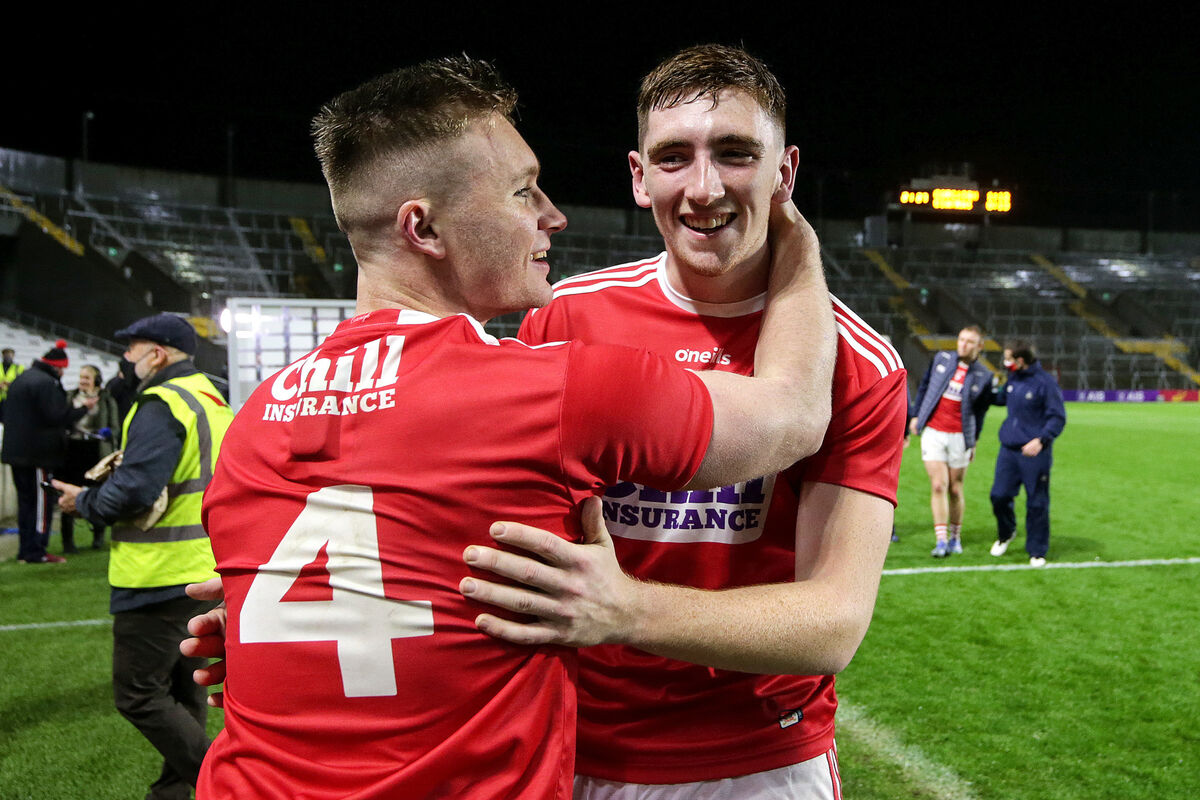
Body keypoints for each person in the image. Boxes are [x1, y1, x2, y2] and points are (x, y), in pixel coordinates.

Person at [183, 56, 835, 800]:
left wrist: (279, 642)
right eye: (523, 191)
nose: (552, 215)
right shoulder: (548, 388)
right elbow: (790, 415)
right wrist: (801, 249)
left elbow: (359, 579)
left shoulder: (258, 420)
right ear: (423, 227)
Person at [459, 45, 907, 799]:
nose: (703, 188)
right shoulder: (569, 316)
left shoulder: (860, 361)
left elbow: (832, 623)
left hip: (759, 764)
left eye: (735, 153)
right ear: (639, 177)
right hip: (568, 742)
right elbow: (480, 526)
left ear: (785, 173)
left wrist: (626, 611)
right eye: (674, 157)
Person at [53, 313, 232, 800]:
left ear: (157, 354)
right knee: (184, 693)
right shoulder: (212, 397)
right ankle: (174, 795)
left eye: (132, 349)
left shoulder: (160, 402)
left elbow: (133, 491)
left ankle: (229, 784)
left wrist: (82, 502)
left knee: (138, 695)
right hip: (206, 567)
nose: (125, 359)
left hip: (158, 574)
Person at [0, 339, 93, 563]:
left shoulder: (22, 378)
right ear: (58, 367)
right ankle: (37, 551)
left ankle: (26, 549)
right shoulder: (46, 384)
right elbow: (56, 416)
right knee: (41, 504)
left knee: (26, 503)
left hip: (16, 452)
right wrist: (82, 409)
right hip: (37, 454)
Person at [908, 325, 994, 557]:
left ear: (979, 346)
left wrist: (973, 441)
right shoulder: (941, 359)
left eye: (969, 341)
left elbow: (980, 412)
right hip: (934, 433)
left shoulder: (984, 375)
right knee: (938, 485)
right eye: (961, 339)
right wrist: (916, 415)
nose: (963, 344)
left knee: (955, 489)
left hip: (959, 436)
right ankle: (941, 540)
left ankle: (956, 537)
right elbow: (925, 387)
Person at [988, 340, 1066, 567]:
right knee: (999, 496)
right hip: (1009, 450)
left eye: (1009, 358)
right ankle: (1007, 532)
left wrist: (1041, 440)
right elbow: (1001, 398)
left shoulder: (1045, 383)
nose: (1006, 363)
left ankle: (1037, 550)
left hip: (1035, 452)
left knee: (1037, 502)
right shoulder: (1013, 379)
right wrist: (985, 388)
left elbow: (1058, 417)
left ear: (1020, 360)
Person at [60, 364, 121, 551]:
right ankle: (68, 542)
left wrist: (108, 433)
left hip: (96, 450)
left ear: (96, 380)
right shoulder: (70, 396)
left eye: (87, 377)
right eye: (81, 377)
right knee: (69, 491)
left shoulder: (106, 399)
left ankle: (98, 535)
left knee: (97, 491)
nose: (82, 381)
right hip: (73, 449)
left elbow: (115, 426)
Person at [0, 346, 24, 416]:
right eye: (6, 355)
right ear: (2, 355)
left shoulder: (19, 368)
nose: (8, 357)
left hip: (11, 399)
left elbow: (23, 383)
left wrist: (11, 384)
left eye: (10, 355)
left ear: (13, 356)